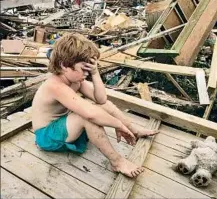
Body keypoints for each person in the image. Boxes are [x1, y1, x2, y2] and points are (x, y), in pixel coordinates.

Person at [32, 33, 159, 178]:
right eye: (84, 69)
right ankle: (117, 162)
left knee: (106, 106)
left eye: (89, 69)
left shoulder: (75, 79)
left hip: (63, 125)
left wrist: (95, 72)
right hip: (47, 136)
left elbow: (101, 99)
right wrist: (117, 125)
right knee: (86, 117)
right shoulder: (55, 85)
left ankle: (134, 130)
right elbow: (90, 114)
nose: (86, 73)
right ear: (64, 65)